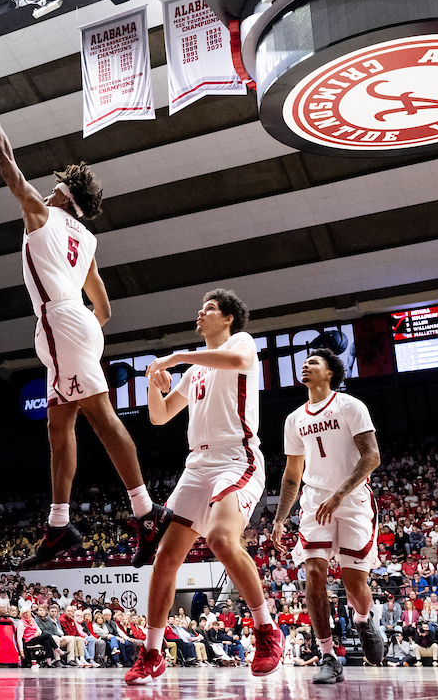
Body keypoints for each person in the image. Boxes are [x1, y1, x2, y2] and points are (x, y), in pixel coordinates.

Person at [0, 63, 172, 569]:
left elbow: (2, 157)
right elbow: (105, 306)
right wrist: (81, 331)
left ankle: (145, 511)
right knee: (59, 427)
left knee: (98, 416)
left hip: (61, 322)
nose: (49, 187)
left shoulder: (42, 211)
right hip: (73, 323)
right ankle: (59, 525)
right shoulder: (89, 240)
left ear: (64, 197)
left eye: (57, 186)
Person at [127, 290, 284, 683]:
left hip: (236, 458)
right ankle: (151, 653)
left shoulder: (240, 343)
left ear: (229, 318)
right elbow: (160, 416)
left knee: (219, 538)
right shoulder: (195, 371)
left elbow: (235, 360)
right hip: (196, 465)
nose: (200, 312)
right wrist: (154, 382)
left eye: (210, 308)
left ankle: (267, 630)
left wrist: (177, 356)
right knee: (165, 558)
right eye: (201, 307)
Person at [273, 349, 385, 683]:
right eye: (305, 362)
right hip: (315, 500)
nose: (306, 365)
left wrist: (340, 493)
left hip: (351, 499)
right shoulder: (294, 419)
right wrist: (280, 518)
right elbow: (292, 474)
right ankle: (327, 655)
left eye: (314, 362)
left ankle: (364, 618)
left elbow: (372, 456)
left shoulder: (350, 406)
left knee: (354, 586)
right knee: (314, 573)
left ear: (330, 373)